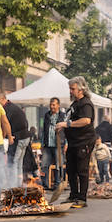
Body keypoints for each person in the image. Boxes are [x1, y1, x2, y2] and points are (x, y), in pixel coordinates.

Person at [59, 76, 96, 206]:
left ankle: (82, 198)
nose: (71, 91)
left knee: (82, 170)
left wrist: (67, 124)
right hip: (73, 142)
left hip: (84, 141)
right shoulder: (74, 104)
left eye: (73, 89)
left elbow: (86, 120)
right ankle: (73, 195)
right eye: (70, 88)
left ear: (81, 89)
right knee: (71, 169)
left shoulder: (85, 103)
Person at [0, 91, 35, 183]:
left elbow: (5, 124)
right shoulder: (13, 107)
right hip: (25, 137)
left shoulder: (7, 109)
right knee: (19, 162)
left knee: (13, 162)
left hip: (19, 138)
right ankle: (18, 183)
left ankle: (13, 184)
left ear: (3, 99)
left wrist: (3, 138)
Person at [39, 96, 66, 189]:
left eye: (54, 105)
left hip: (59, 144)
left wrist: (66, 143)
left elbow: (67, 131)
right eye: (51, 105)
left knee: (59, 164)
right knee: (44, 164)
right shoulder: (47, 115)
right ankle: (45, 184)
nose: (52, 107)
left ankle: (57, 184)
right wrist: (42, 143)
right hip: (47, 144)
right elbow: (43, 130)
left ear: (58, 105)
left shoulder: (63, 116)